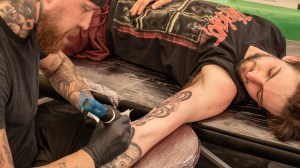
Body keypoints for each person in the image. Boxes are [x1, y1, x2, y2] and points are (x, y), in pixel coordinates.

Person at [63, 0, 300, 167]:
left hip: (91, 21)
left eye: (258, 93)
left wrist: (91, 159)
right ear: (291, 59)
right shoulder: (272, 34)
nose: (252, 76)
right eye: (272, 72)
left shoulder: (222, 85)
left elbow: (147, 132)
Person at [0, 0, 169, 167]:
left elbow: (57, 66)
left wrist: (91, 107)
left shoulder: (26, 23)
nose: (86, 25)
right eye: (85, 9)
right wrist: (95, 154)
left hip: (32, 145)